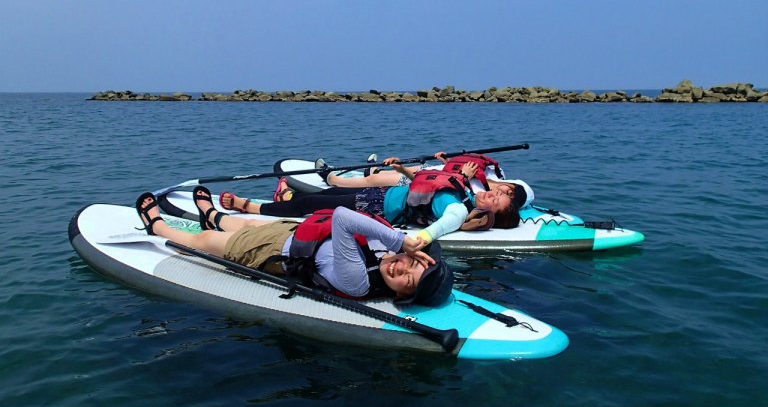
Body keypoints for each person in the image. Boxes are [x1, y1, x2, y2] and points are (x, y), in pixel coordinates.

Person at [135, 187, 454, 307]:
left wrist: (399, 240)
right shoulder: (389, 254)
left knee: (205, 241)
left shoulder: (358, 281)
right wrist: (401, 244)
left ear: (399, 295)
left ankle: (157, 226)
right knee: (245, 223)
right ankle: (212, 215)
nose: (400, 268)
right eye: (411, 263)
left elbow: (343, 217)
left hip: (270, 251)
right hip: (299, 233)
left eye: (406, 281)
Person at [219, 163, 520, 244]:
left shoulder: (458, 208)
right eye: (498, 193)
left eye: (496, 201)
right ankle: (285, 198)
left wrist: (424, 238)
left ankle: (250, 207)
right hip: (382, 195)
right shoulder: (466, 191)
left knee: (313, 202)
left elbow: (449, 219)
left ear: (488, 214)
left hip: (376, 206)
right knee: (323, 196)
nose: (492, 194)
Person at [321, 153, 534, 209]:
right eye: (510, 189)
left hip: (424, 183)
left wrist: (464, 176)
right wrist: (448, 162)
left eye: (508, 196)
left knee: (376, 180)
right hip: (432, 171)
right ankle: (373, 169)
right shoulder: (495, 174)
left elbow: (453, 188)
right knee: (386, 171)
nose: (503, 192)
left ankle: (333, 179)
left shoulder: (482, 196)